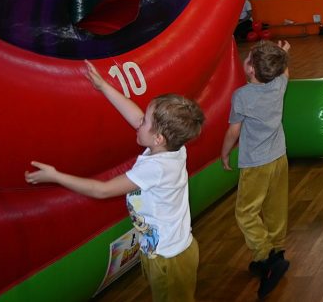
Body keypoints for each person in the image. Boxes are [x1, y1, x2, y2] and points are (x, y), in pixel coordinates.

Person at [25, 62, 204, 301]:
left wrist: (56, 176)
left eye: (145, 122)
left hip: (170, 259)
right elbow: (135, 116)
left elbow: (102, 190)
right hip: (163, 252)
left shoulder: (156, 168)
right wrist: (103, 86)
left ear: (159, 138)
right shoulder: (173, 147)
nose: (139, 122)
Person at [220, 40, 292, 298]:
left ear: (251, 69)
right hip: (279, 158)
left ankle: (266, 256)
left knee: (246, 213)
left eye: (248, 57)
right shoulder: (279, 84)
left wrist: (225, 152)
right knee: (275, 207)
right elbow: (285, 71)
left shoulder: (242, 96)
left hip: (255, 164)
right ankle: (278, 251)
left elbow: (234, 131)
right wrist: (283, 54)